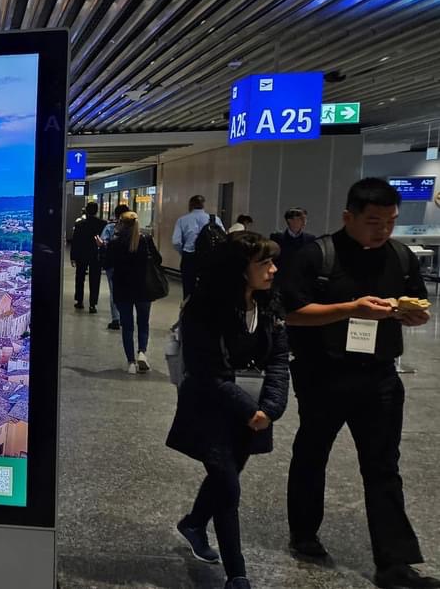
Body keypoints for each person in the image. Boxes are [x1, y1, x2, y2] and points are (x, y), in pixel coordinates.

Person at [281, 178, 439, 589]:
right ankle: (303, 533)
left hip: (381, 376)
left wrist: (414, 315)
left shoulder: (401, 257)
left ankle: (395, 563)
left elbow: (417, 301)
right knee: (312, 453)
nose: (382, 230)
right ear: (348, 216)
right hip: (323, 375)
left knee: (384, 467)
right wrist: (350, 309)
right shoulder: (318, 255)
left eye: (390, 221)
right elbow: (292, 312)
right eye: (373, 221)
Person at [166, 232, 289, 589]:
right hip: (211, 407)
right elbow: (206, 370)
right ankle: (238, 574)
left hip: (252, 413)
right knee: (228, 487)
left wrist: (270, 409)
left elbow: (279, 360)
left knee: (225, 478)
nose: (272, 270)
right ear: (239, 269)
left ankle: (193, 523)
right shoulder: (204, 307)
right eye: (263, 263)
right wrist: (251, 409)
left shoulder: (268, 305)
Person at [105, 211, 162, 374]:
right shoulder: (145, 240)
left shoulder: (115, 243)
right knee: (143, 323)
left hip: (123, 289)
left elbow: (107, 263)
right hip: (144, 289)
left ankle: (131, 362)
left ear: (121, 224)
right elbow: (159, 260)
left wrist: (103, 248)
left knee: (127, 326)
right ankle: (142, 353)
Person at [172, 195, 220, 300]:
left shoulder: (182, 220)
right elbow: (223, 238)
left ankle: (188, 310)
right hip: (210, 259)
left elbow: (176, 242)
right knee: (209, 288)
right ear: (204, 205)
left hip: (189, 257)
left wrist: (183, 251)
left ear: (190, 205)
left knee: (189, 289)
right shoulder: (214, 219)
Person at [71, 201, 107, 313]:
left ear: (86, 210)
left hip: (82, 254)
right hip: (96, 255)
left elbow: (75, 241)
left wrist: (73, 256)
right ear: (97, 211)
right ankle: (92, 304)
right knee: (95, 279)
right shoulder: (102, 224)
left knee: (80, 278)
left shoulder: (80, 224)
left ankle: (79, 301)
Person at [100, 204, 131, 331]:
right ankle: (125, 318)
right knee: (127, 291)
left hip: (112, 264)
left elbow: (103, 242)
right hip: (129, 265)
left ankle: (116, 319)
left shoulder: (110, 227)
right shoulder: (133, 229)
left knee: (114, 291)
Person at [270, 207, 317, 281]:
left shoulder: (310, 239)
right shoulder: (277, 237)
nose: (304, 221)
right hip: (281, 279)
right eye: (301, 218)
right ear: (290, 220)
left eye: (305, 218)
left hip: (301, 280)